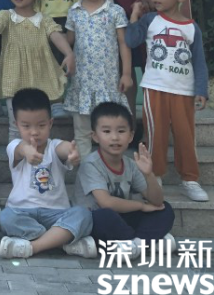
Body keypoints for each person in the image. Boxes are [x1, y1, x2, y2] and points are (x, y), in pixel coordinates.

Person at [125, 0, 210, 202]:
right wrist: (135, 15)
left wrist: (201, 90)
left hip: (183, 91)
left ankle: (190, 180)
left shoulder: (192, 27)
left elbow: (199, 62)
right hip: (155, 88)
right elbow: (131, 40)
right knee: (156, 135)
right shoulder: (150, 20)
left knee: (185, 136)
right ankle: (155, 177)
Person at [0, 0, 75, 141]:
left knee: (40, 125)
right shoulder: (7, 16)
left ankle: (40, 156)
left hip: (40, 78)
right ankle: (16, 156)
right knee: (16, 127)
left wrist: (68, 53)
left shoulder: (44, 19)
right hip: (14, 78)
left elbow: (56, 35)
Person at [0, 89, 96, 259]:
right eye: (26, 126)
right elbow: (21, 149)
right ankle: (61, 240)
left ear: (50, 123)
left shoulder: (54, 146)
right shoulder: (14, 146)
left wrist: (72, 152)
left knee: (83, 214)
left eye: (41, 125)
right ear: (16, 124)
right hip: (22, 212)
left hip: (57, 214)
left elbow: (64, 148)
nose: (34, 132)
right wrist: (28, 152)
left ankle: (33, 246)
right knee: (6, 217)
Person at [75, 102, 175, 259]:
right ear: (95, 136)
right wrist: (141, 206)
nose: (115, 137)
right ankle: (146, 242)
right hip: (96, 220)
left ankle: (134, 244)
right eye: (106, 131)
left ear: (130, 136)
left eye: (121, 131)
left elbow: (157, 200)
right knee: (104, 216)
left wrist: (149, 174)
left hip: (123, 217)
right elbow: (106, 203)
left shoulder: (131, 164)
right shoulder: (90, 164)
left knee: (164, 209)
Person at [64, 0, 133, 157]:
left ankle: (110, 167)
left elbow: (123, 44)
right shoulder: (74, 12)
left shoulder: (115, 11)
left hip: (108, 83)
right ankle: (86, 171)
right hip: (82, 84)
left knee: (110, 131)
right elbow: (68, 42)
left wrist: (126, 74)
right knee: (82, 132)